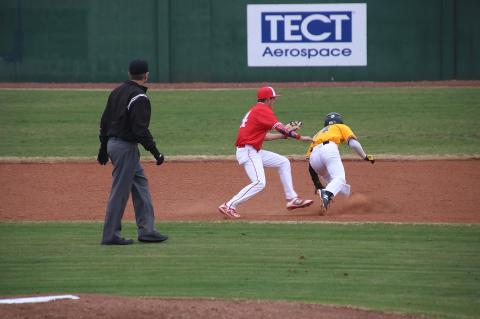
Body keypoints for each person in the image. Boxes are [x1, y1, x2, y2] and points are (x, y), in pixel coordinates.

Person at [96, 59, 168, 245]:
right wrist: (156, 152)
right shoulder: (139, 98)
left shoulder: (116, 92)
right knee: (120, 191)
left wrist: (103, 148)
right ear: (146, 75)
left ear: (129, 74)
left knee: (140, 184)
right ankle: (110, 235)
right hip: (125, 147)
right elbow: (140, 130)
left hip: (115, 144)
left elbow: (104, 123)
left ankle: (147, 230)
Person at [218, 86, 314, 219]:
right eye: (274, 99)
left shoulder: (256, 110)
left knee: (283, 162)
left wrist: (282, 136)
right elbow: (280, 127)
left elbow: (263, 136)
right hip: (248, 151)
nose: (274, 101)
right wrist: (299, 137)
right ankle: (229, 205)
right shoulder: (263, 110)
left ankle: (292, 199)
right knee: (259, 182)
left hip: (252, 150)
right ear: (268, 99)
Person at [306, 112, 375, 211]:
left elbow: (310, 166)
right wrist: (364, 156)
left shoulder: (317, 134)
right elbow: (353, 144)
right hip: (329, 149)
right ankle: (327, 193)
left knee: (335, 181)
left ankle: (350, 196)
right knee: (339, 178)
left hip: (314, 158)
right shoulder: (340, 126)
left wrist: (317, 185)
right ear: (340, 121)